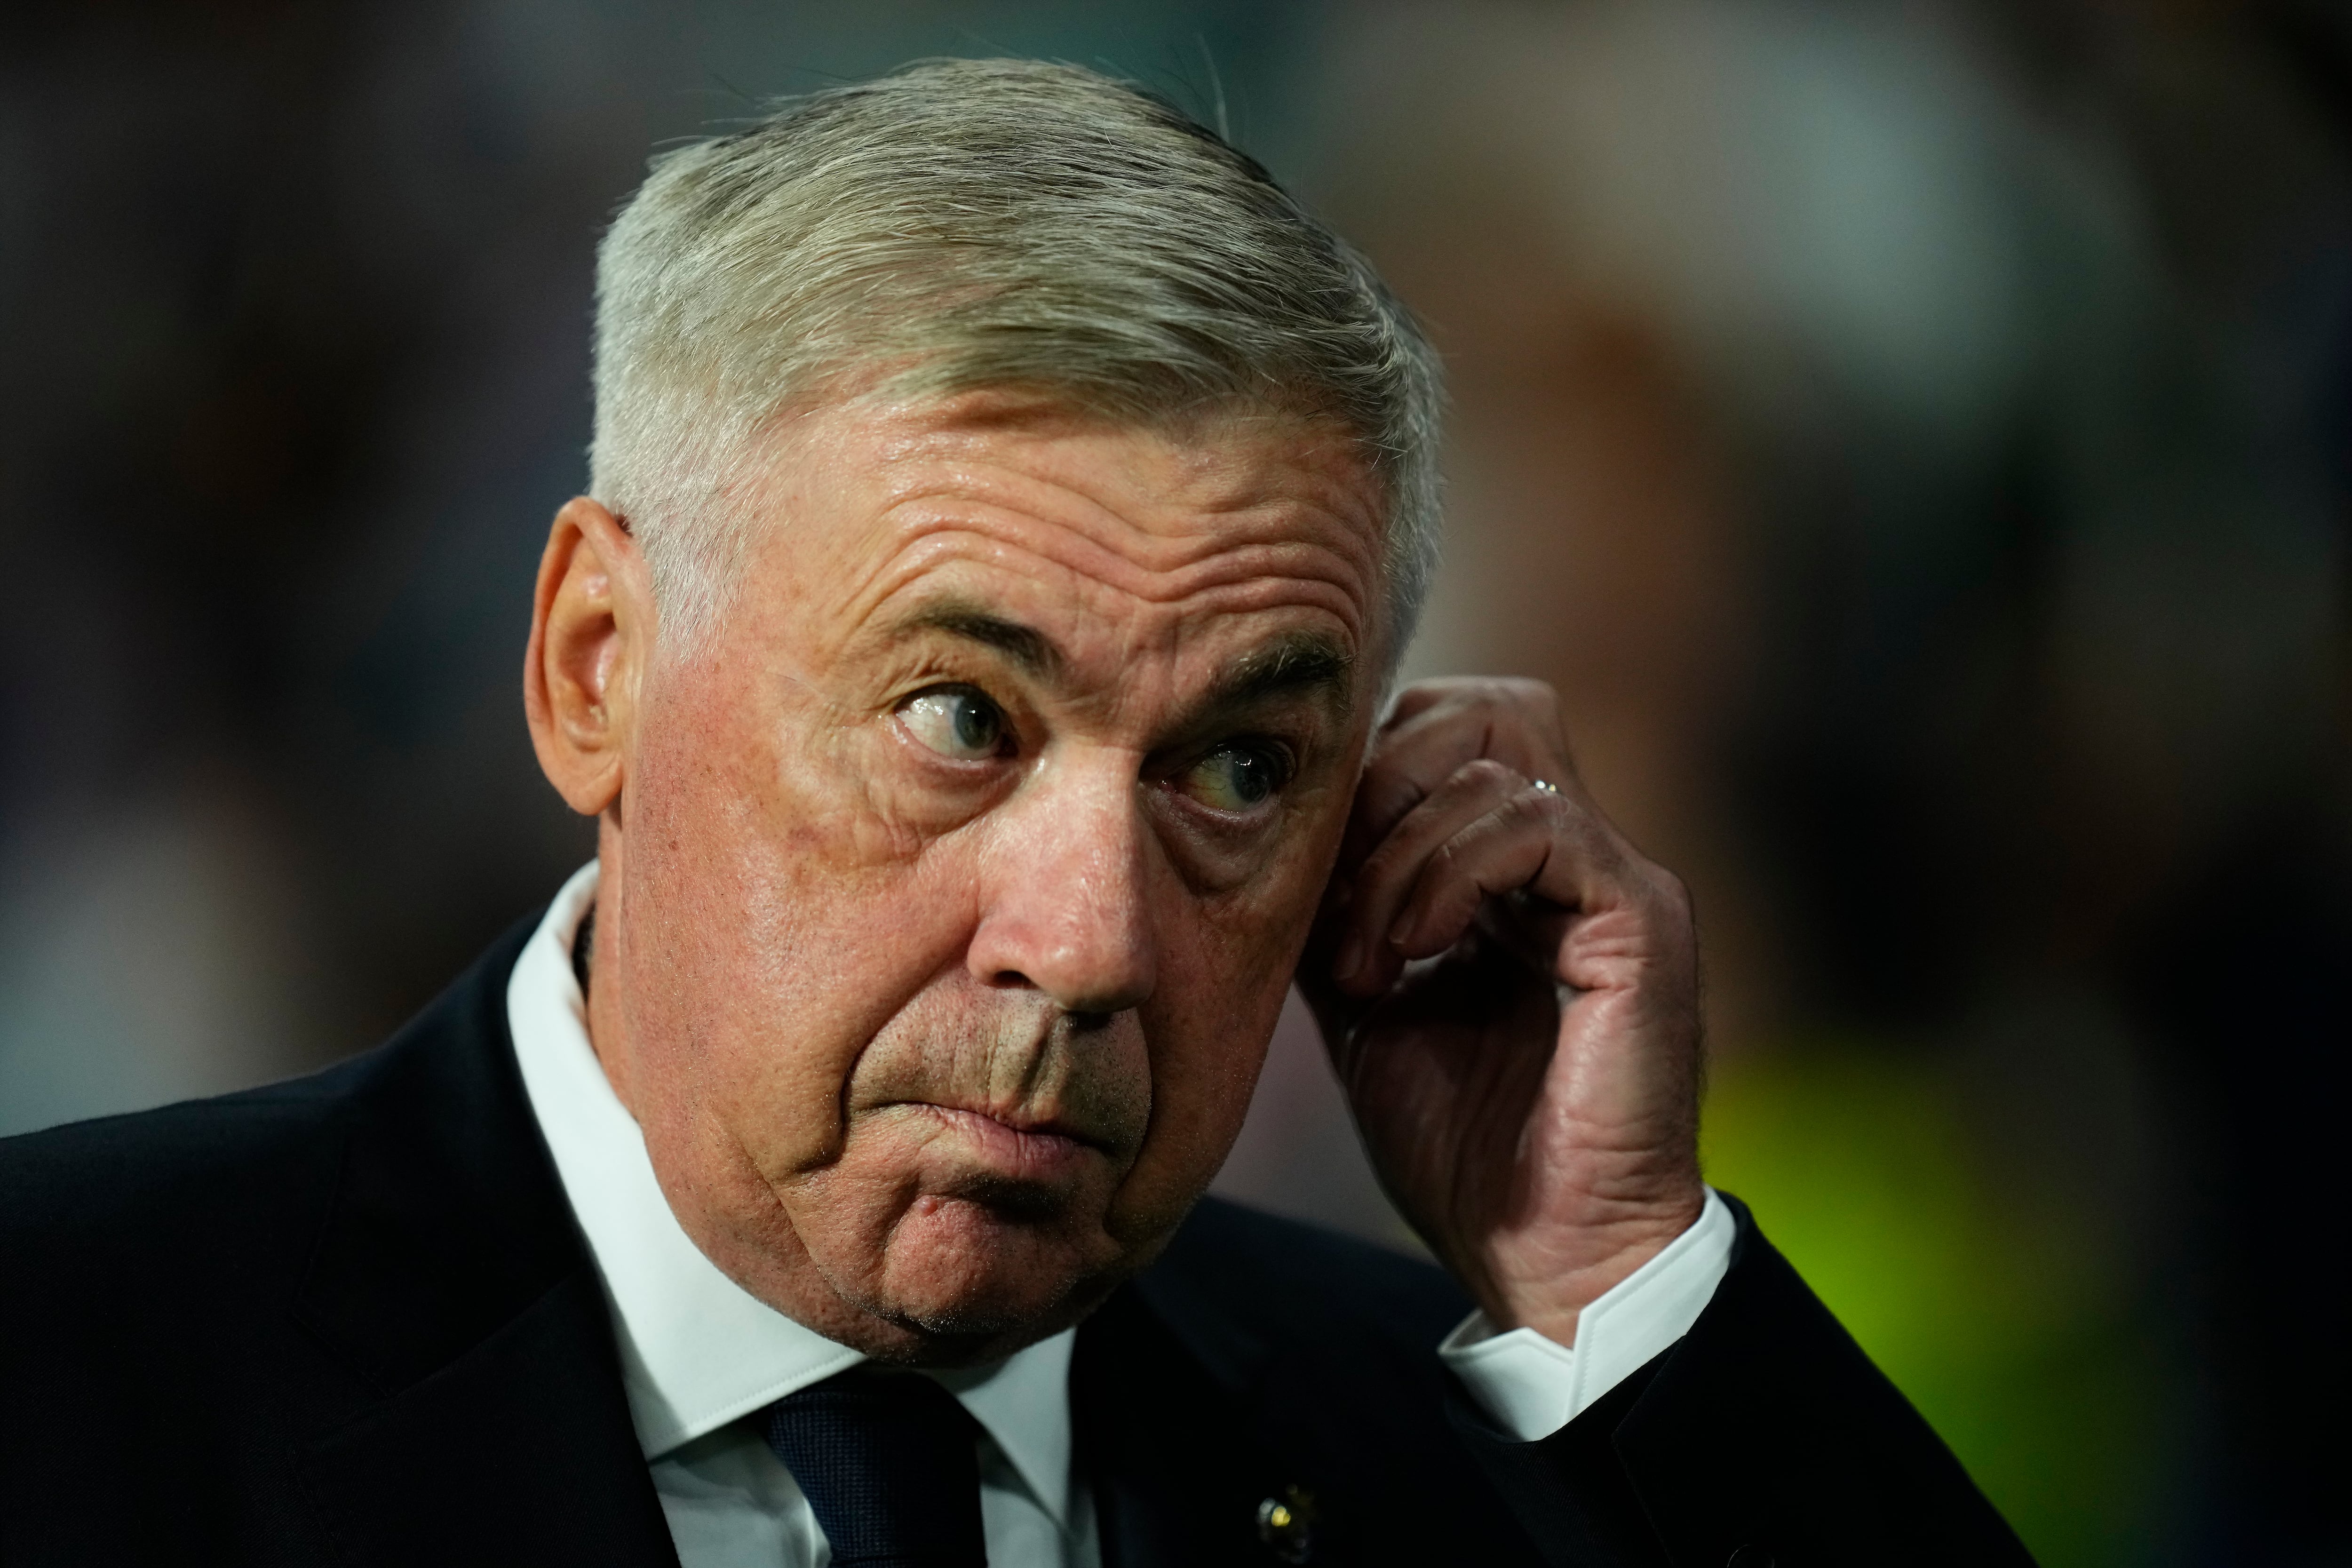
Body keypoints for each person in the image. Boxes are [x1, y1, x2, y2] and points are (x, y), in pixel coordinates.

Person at [0, 60, 2030, 1568]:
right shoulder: (67, 1373)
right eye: (960, 717)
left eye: (1238, 769)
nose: (1088, 941)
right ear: (596, 666)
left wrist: (1613, 1276)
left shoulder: (1488, 1451)